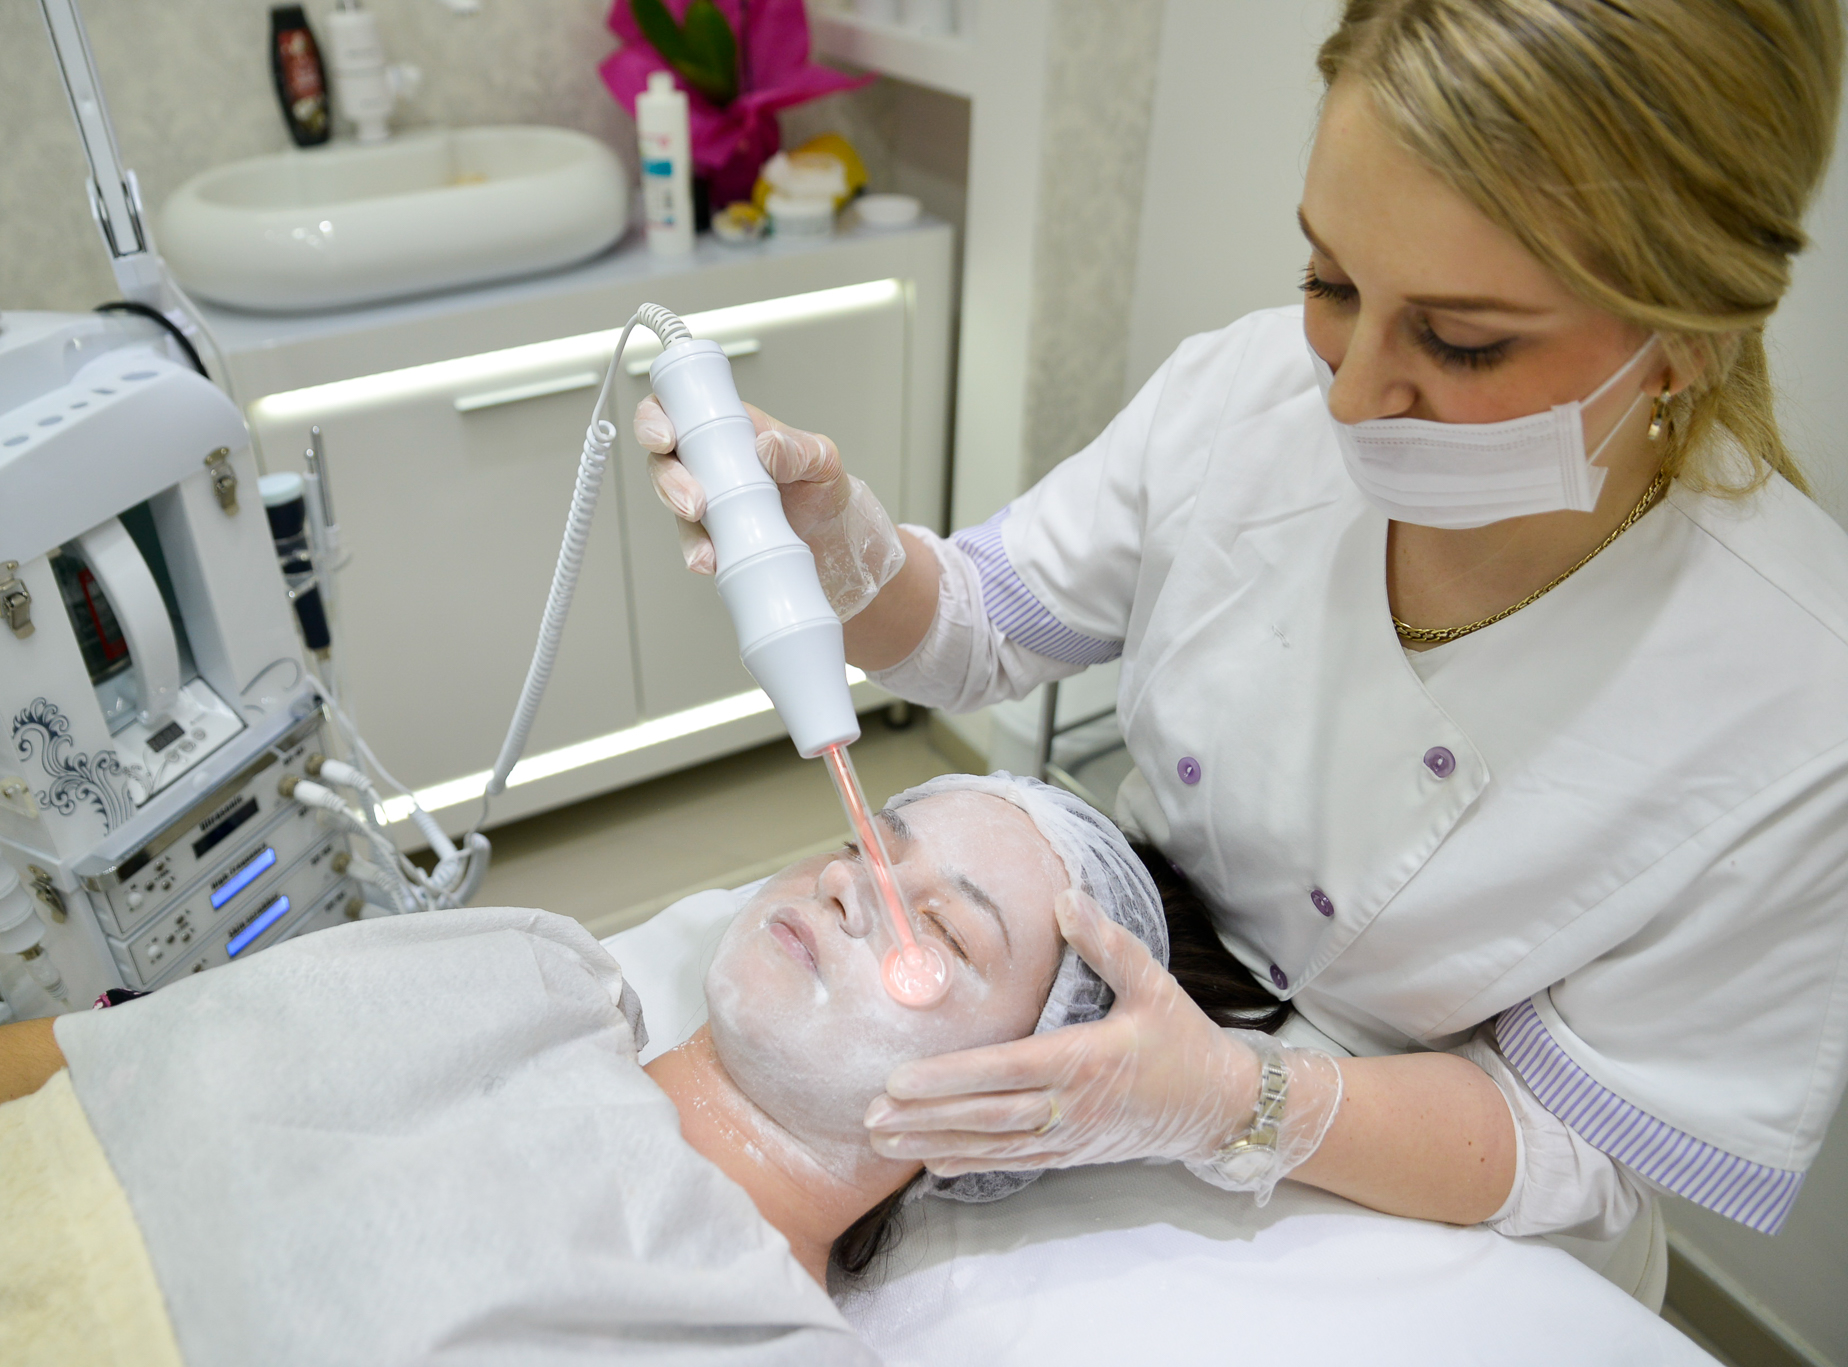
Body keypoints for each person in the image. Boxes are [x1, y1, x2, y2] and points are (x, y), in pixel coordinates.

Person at [637, 0, 1848, 1284]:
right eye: (1330, 282)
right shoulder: (1247, 391)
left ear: (1687, 336)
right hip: (1148, 994)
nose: (1347, 393)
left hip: (1436, 1208)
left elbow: (1580, 1140)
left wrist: (1239, 1099)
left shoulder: (1794, 701)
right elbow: (981, 623)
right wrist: (845, 550)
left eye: (1459, 340)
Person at [0, 774, 1266, 1365]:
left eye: (941, 925)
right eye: (867, 840)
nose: (852, 881)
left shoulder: (763, 1341)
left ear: (1015, 1113)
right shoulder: (521, 966)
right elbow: (62, 1070)